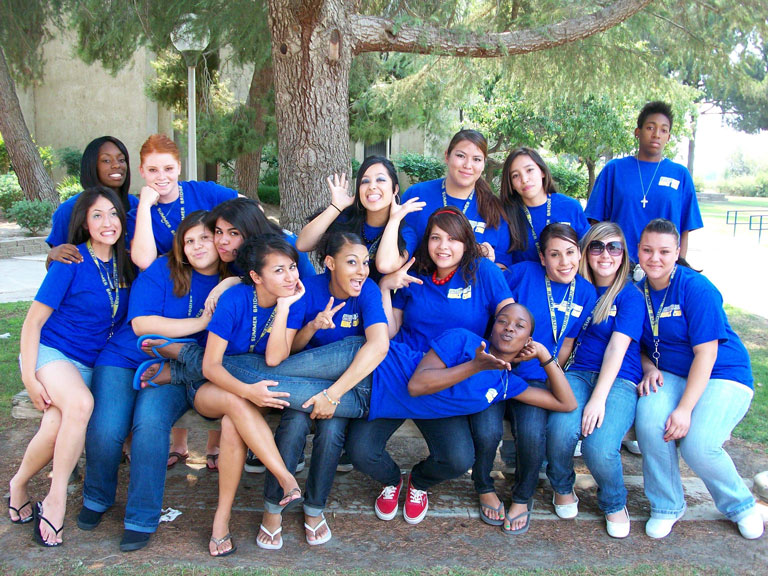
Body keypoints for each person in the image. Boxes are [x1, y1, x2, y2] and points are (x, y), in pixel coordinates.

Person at [345, 206, 515, 525]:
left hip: (444, 382)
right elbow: (392, 331)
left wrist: (514, 346)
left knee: (457, 458)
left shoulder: (483, 272)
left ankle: (418, 483)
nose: (443, 246)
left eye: (452, 238)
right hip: (400, 373)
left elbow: (509, 314)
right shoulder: (415, 272)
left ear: (466, 242)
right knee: (360, 450)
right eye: (436, 237)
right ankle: (392, 481)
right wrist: (385, 287)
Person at [75, 211, 232, 551]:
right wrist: (201, 322)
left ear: (219, 240)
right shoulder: (163, 269)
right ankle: (97, 497)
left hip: (175, 371)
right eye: (189, 241)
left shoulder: (233, 279)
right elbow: (141, 325)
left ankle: (141, 517)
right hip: (124, 357)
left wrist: (229, 282)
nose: (196, 246)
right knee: (108, 426)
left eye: (204, 237)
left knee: (149, 423)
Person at [10, 187, 132, 546]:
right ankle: (56, 497)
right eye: (97, 215)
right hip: (52, 354)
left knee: (56, 422)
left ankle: (17, 485)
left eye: (113, 213)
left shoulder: (126, 262)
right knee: (79, 405)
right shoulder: (70, 261)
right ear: (84, 222)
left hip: (94, 364)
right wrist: (29, 378)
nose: (107, 222)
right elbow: (32, 324)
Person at [257, 231, 389, 549]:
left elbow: (379, 344)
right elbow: (289, 350)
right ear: (330, 263)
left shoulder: (367, 291)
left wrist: (333, 395)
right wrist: (313, 326)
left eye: (365, 263)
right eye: (352, 262)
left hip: (344, 385)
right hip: (304, 377)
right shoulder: (309, 288)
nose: (361, 270)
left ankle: (314, 509)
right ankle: (273, 508)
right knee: (295, 424)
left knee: (331, 432)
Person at [634, 218, 763, 540]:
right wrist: (649, 368)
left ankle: (740, 504)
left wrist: (684, 409)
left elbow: (707, 354)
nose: (655, 258)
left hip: (722, 373)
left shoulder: (696, 288)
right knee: (650, 421)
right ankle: (667, 505)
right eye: (647, 250)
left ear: (677, 252)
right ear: (638, 251)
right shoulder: (638, 292)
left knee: (699, 445)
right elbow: (634, 345)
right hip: (671, 373)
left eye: (664, 251)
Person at [192, 234, 309, 556]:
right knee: (234, 402)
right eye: (279, 271)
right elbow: (210, 366)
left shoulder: (292, 302)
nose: (290, 277)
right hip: (213, 389)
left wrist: (284, 307)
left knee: (233, 424)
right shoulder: (236, 299)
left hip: (253, 391)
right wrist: (247, 392)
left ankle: (221, 519)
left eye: (292, 268)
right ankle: (285, 477)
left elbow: (274, 359)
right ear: (256, 276)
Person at [545, 222, 644, 538]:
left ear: (623, 254)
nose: (606, 254)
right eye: (598, 246)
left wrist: (598, 399)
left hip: (618, 379)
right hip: (577, 372)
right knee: (560, 430)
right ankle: (561, 486)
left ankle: (614, 501)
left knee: (599, 447)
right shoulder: (577, 288)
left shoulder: (630, 295)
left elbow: (617, 347)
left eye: (614, 247)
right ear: (586, 251)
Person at [502, 223, 596, 534]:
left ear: (579, 254)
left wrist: (551, 368)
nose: (564, 261)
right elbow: (495, 311)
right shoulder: (523, 273)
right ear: (542, 258)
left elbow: (566, 342)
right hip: (499, 371)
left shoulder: (585, 291)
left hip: (537, 379)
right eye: (554, 254)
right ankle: (483, 487)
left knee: (532, 433)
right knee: (487, 432)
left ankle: (521, 497)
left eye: (570, 252)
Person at [585, 101, 703, 265]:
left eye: (663, 130)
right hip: (618, 267)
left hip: (662, 269)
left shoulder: (680, 174)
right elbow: (595, 223)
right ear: (637, 132)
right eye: (650, 127)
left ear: (668, 137)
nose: (656, 134)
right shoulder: (614, 169)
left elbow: (684, 228)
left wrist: (680, 265)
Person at [296, 156, 420, 281]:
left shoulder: (406, 233)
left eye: (380, 180)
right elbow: (303, 244)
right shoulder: (344, 219)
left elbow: (384, 266)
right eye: (365, 181)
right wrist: (336, 206)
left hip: (373, 299)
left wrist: (394, 220)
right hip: (331, 295)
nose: (372, 186)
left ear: (395, 189)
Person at [400, 129, 512, 267]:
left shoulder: (494, 208)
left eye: (476, 159)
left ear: (483, 164)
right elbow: (399, 251)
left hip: (472, 286)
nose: (467, 165)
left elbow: (504, 265)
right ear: (447, 156)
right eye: (460, 156)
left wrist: (489, 262)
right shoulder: (417, 195)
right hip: (421, 285)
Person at [129, 133, 238, 270]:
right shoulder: (138, 216)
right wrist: (144, 205)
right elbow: (144, 261)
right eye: (153, 170)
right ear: (142, 171)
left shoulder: (203, 191)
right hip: (175, 285)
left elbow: (253, 208)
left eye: (169, 169)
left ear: (179, 167)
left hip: (218, 275)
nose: (162, 177)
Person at [46, 136, 137, 266]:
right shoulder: (69, 209)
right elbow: (56, 263)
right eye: (106, 160)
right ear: (92, 165)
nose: (117, 165)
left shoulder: (135, 205)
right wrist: (52, 255)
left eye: (121, 160)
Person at [499, 147, 589, 265]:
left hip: (568, 280)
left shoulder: (570, 207)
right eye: (515, 176)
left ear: (542, 171)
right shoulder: (505, 215)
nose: (524, 179)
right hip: (525, 282)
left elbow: (588, 250)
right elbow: (502, 264)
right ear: (511, 184)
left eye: (529, 170)